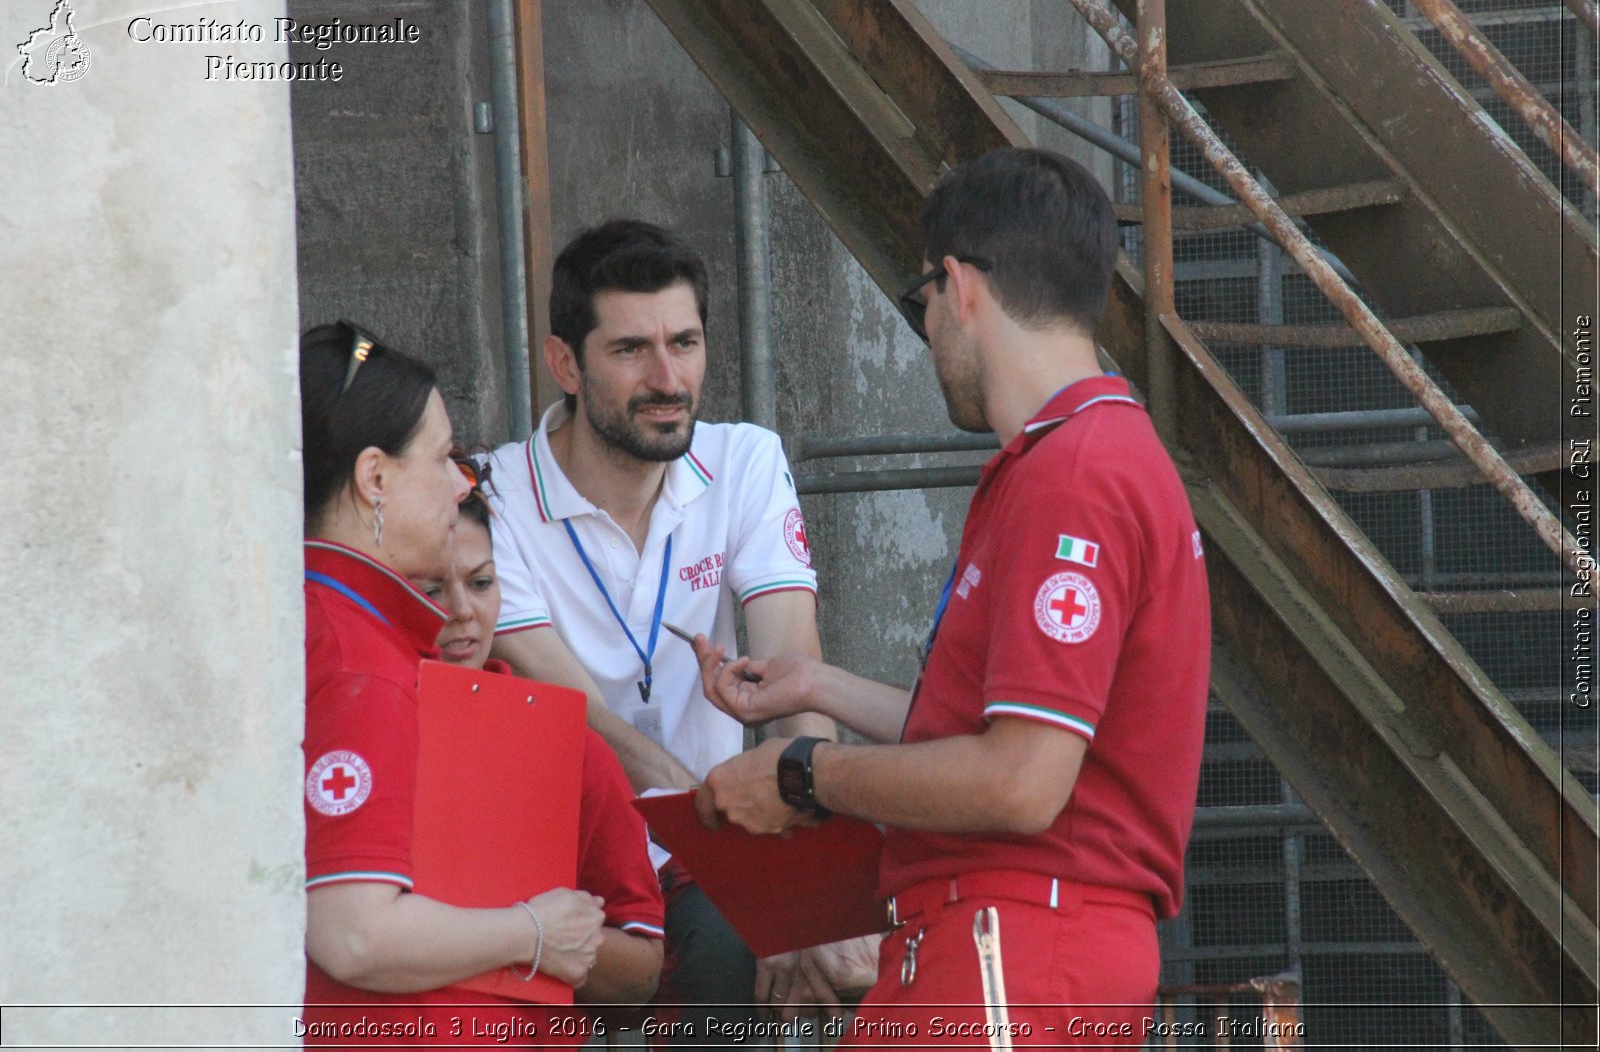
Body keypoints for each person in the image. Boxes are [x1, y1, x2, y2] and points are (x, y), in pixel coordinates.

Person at [692, 147, 1212, 1046]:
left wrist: (802, 774)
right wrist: (813, 688)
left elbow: (1018, 780)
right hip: (999, 942)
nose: (926, 328)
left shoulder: (1075, 475)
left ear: (960, 286)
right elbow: (1002, 737)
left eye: (919, 301)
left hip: (1016, 941)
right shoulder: (1065, 460)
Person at [482, 220, 859, 1027]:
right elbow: (584, 719)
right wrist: (751, 857)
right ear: (564, 364)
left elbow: (796, 671)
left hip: (704, 845)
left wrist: (806, 888)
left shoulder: (745, 460)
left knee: (798, 954)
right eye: (630, 350)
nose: (668, 377)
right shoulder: (493, 493)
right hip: (562, 850)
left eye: (684, 342)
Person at [299, 321, 605, 1046]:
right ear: (374, 478)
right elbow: (355, 933)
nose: (461, 481)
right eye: (441, 458)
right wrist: (531, 930)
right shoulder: (355, 656)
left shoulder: (323, 621)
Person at [410, 452, 666, 1027]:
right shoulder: (349, 724)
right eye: (429, 586)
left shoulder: (568, 747)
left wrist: (546, 934)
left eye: (482, 583)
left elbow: (643, 971)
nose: (462, 612)